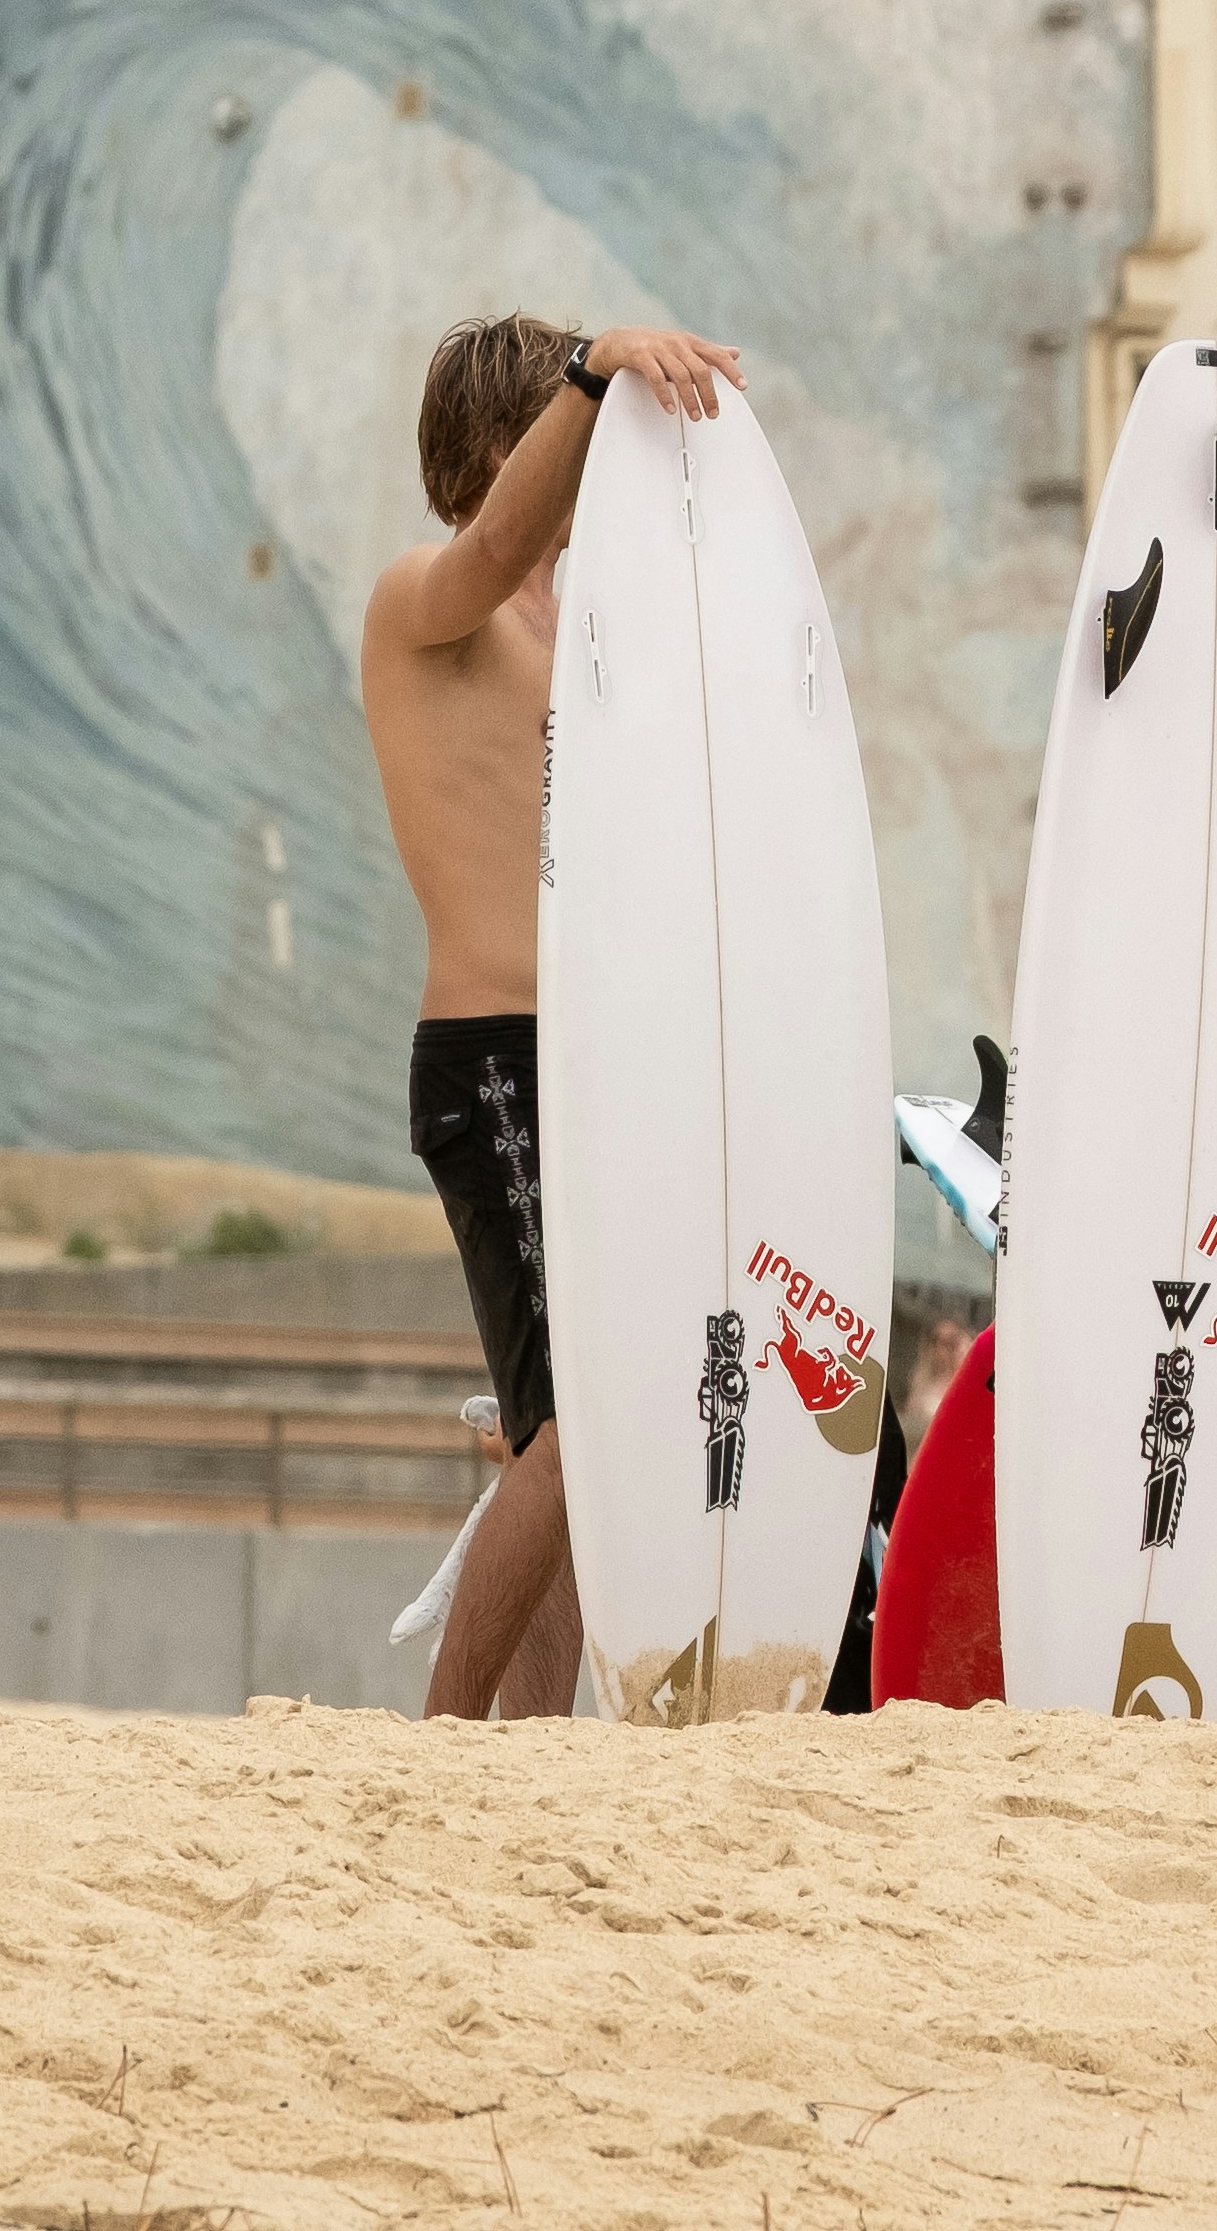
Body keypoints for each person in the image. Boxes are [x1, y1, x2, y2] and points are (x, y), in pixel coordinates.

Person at [369, 307, 745, 1720]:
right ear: (501, 442)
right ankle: (450, 1734)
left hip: (591, 1060)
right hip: (493, 1063)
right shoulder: (426, 597)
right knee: (580, 1422)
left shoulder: (588, 628)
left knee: (569, 1428)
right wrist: (594, 367)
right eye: (571, 436)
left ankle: (526, 1740)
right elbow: (487, 552)